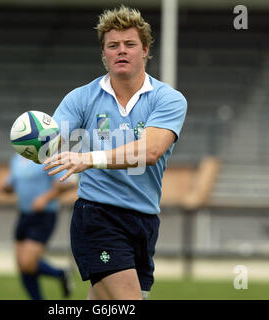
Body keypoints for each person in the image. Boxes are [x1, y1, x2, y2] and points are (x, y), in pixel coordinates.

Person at [44, 5, 187, 300]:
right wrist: (33, 140)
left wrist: (88, 158)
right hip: (97, 216)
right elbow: (50, 142)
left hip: (145, 219)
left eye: (130, 44)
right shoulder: (81, 98)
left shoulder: (168, 99)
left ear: (145, 50)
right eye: (113, 46)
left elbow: (150, 151)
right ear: (104, 54)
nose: (121, 51)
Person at [1, 153, 75, 300]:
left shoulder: (46, 157)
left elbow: (69, 183)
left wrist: (45, 198)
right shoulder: (16, 158)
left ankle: (60, 273)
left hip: (44, 216)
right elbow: (12, 183)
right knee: (22, 266)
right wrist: (6, 187)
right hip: (23, 215)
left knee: (28, 262)